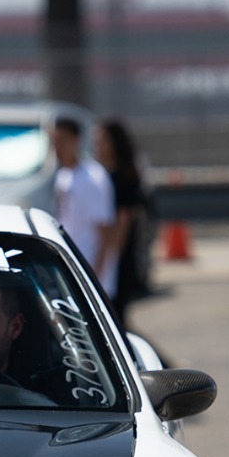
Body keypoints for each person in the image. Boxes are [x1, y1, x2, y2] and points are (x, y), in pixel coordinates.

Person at [95, 117, 150, 333]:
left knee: (117, 318)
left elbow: (124, 220)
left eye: (102, 140)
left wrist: (111, 256)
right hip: (106, 248)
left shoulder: (124, 174)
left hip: (119, 252)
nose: (98, 146)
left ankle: (161, 364)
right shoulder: (100, 174)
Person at [50, 116, 115, 287]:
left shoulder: (94, 177)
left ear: (76, 141)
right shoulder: (62, 176)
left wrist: (95, 278)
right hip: (72, 268)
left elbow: (106, 233)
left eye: (62, 141)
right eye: (55, 141)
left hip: (93, 274)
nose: (57, 147)